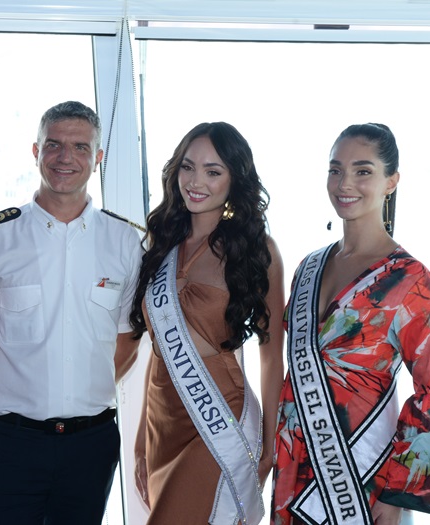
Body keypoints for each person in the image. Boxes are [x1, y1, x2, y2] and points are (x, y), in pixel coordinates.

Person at [0, 100, 143, 524]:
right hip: (8, 443)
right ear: (36, 151)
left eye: (79, 147)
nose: (65, 158)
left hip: (90, 445)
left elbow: (127, 340)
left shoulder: (127, 243)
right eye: (53, 144)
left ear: (98, 158)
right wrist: (21, 398)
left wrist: (77, 390)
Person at [271, 123, 430, 525]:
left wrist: (397, 495)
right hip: (295, 465)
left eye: (363, 170)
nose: (345, 182)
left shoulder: (410, 279)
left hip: (365, 479)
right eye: (335, 169)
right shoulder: (307, 268)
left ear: (391, 182)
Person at [130, 122, 285, 524]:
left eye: (213, 171)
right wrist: (141, 445)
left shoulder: (257, 249)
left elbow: (271, 358)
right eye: (188, 167)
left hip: (218, 414)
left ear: (235, 179)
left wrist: (269, 444)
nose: (196, 181)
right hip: (162, 419)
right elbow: (160, 348)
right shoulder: (161, 241)